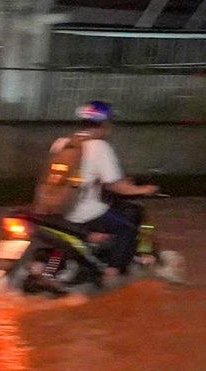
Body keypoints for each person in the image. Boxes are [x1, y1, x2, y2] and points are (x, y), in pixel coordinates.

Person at [60, 100, 159, 275]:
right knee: (127, 229)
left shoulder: (62, 142)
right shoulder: (98, 146)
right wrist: (144, 189)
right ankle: (112, 275)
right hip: (82, 213)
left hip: (56, 210)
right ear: (105, 123)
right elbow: (116, 186)